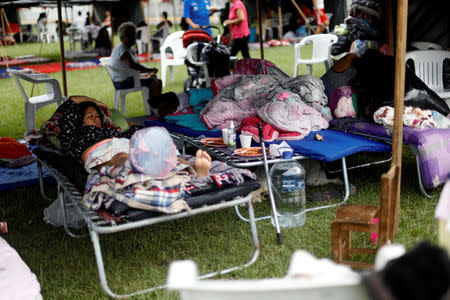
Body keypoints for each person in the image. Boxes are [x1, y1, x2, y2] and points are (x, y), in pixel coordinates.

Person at [110, 22, 162, 111]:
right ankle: (155, 109)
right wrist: (149, 70)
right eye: (132, 36)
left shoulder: (123, 48)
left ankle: (154, 107)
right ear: (125, 38)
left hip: (126, 78)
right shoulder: (123, 50)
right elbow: (132, 65)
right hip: (125, 81)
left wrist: (147, 71)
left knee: (155, 78)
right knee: (155, 81)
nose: (134, 38)